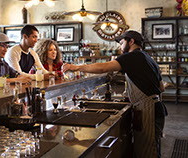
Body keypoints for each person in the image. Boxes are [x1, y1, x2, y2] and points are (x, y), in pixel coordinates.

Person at [63, 30, 166, 158]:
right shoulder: (147, 57)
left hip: (149, 111)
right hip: (155, 108)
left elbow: (103, 68)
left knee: (148, 153)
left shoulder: (131, 57)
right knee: (149, 149)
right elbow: (161, 88)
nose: (120, 46)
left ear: (131, 41)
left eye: (122, 42)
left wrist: (77, 67)